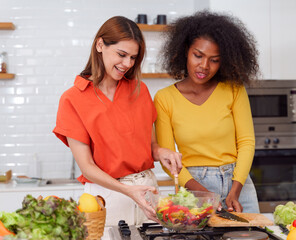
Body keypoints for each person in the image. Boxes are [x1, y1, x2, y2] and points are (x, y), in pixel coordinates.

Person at [53, 16, 182, 226]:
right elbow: (87, 167)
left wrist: (163, 153)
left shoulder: (140, 90)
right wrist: (128, 191)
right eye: (121, 55)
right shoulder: (73, 99)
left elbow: (151, 146)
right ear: (100, 45)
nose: (127, 64)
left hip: (147, 192)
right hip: (107, 196)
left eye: (133, 57)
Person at [154, 11, 260, 213]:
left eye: (214, 60)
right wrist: (204, 194)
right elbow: (168, 161)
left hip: (239, 184)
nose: (204, 66)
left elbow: (246, 142)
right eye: (198, 55)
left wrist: (235, 190)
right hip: (193, 187)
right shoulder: (164, 98)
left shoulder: (233, 89)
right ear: (185, 51)